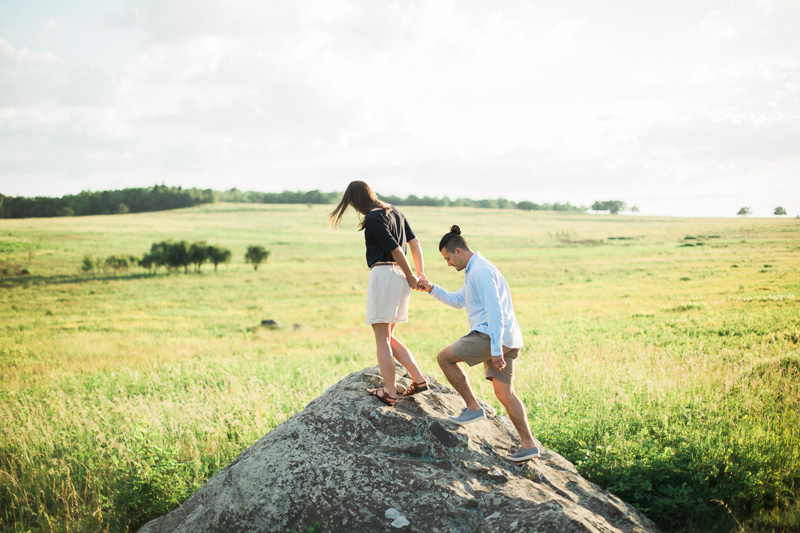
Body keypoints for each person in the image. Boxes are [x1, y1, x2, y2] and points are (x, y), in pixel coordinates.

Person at [417, 225, 540, 462]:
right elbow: (458, 300)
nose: (448, 264)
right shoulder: (477, 269)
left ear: (458, 251)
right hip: (508, 338)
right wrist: (431, 288)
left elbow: (494, 311)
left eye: (448, 258)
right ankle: (529, 445)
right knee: (505, 393)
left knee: (444, 358)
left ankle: (473, 409)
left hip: (492, 336)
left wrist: (495, 349)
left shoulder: (480, 271)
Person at [329, 181, 429, 407]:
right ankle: (419, 379)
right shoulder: (395, 211)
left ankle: (389, 392)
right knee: (389, 336)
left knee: (382, 338)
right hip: (400, 279)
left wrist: (413, 276)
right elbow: (414, 242)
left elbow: (395, 248)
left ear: (357, 201)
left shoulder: (373, 218)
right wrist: (418, 273)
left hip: (385, 275)